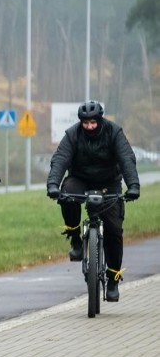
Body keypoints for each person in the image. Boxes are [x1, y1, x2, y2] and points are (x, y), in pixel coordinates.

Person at [46, 100, 140, 302]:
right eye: (85, 123)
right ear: (81, 122)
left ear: (99, 119)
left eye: (93, 122)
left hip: (109, 182)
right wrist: (53, 185)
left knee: (114, 230)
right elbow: (60, 158)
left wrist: (133, 186)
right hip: (80, 179)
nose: (89, 126)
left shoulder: (114, 132)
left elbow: (126, 158)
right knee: (67, 195)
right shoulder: (72, 134)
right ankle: (75, 239)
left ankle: (113, 278)